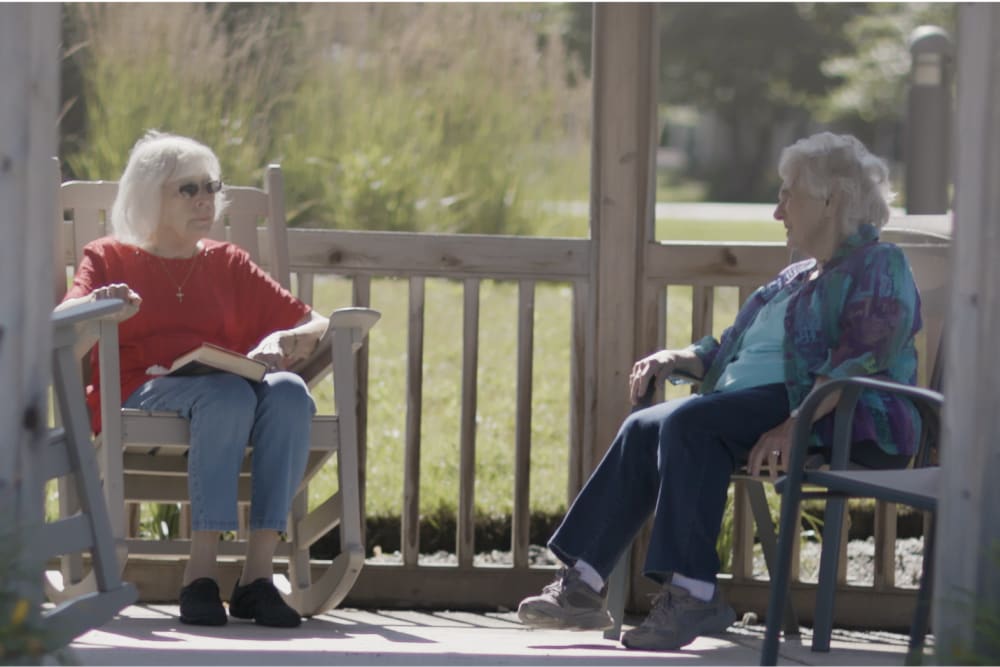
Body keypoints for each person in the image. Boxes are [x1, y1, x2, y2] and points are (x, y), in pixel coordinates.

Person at [516, 132, 922, 650]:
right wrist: (677, 359)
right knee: (645, 425)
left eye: (787, 194)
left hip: (835, 416)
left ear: (830, 200)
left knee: (691, 423)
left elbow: (861, 353)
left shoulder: (879, 265)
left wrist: (796, 422)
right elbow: (731, 348)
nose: (779, 212)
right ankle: (583, 587)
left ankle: (693, 594)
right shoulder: (794, 277)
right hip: (754, 407)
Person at [55, 131, 329, 628]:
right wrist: (101, 306)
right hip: (140, 394)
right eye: (188, 189)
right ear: (149, 195)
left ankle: (256, 580)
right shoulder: (109, 257)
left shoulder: (227, 262)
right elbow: (65, 325)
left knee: (289, 392)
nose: (206, 199)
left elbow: (313, 320)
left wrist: (290, 341)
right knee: (225, 395)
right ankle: (199, 577)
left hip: (225, 391)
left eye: (211, 186)